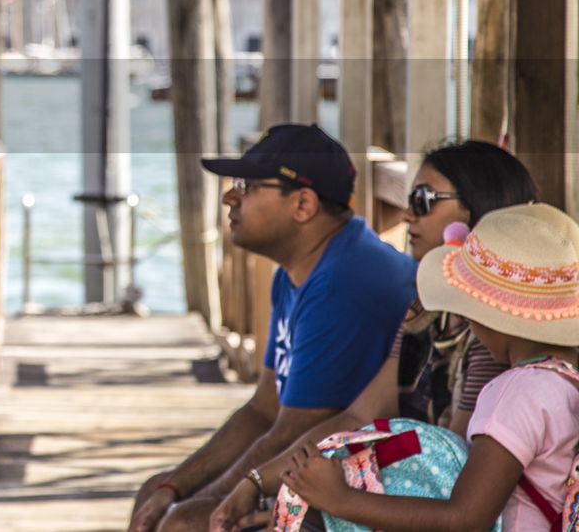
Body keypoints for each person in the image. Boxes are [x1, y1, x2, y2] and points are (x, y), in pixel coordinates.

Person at [210, 140, 539, 532]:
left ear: (477, 212)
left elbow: (449, 466)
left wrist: (324, 503)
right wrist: (260, 480)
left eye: (423, 199)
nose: (406, 214)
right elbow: (359, 415)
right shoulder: (424, 312)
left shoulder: (491, 339)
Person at [128, 124, 417, 532]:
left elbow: (293, 428)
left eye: (246, 186)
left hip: (378, 483)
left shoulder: (343, 280)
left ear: (302, 205)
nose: (230, 197)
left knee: (187, 523)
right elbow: (264, 408)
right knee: (155, 494)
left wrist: (208, 499)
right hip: (317, 462)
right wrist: (175, 486)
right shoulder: (297, 272)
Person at [281, 202, 579, 532]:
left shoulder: (515, 392)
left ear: (479, 315)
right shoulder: (567, 382)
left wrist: (338, 499)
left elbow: (465, 518)